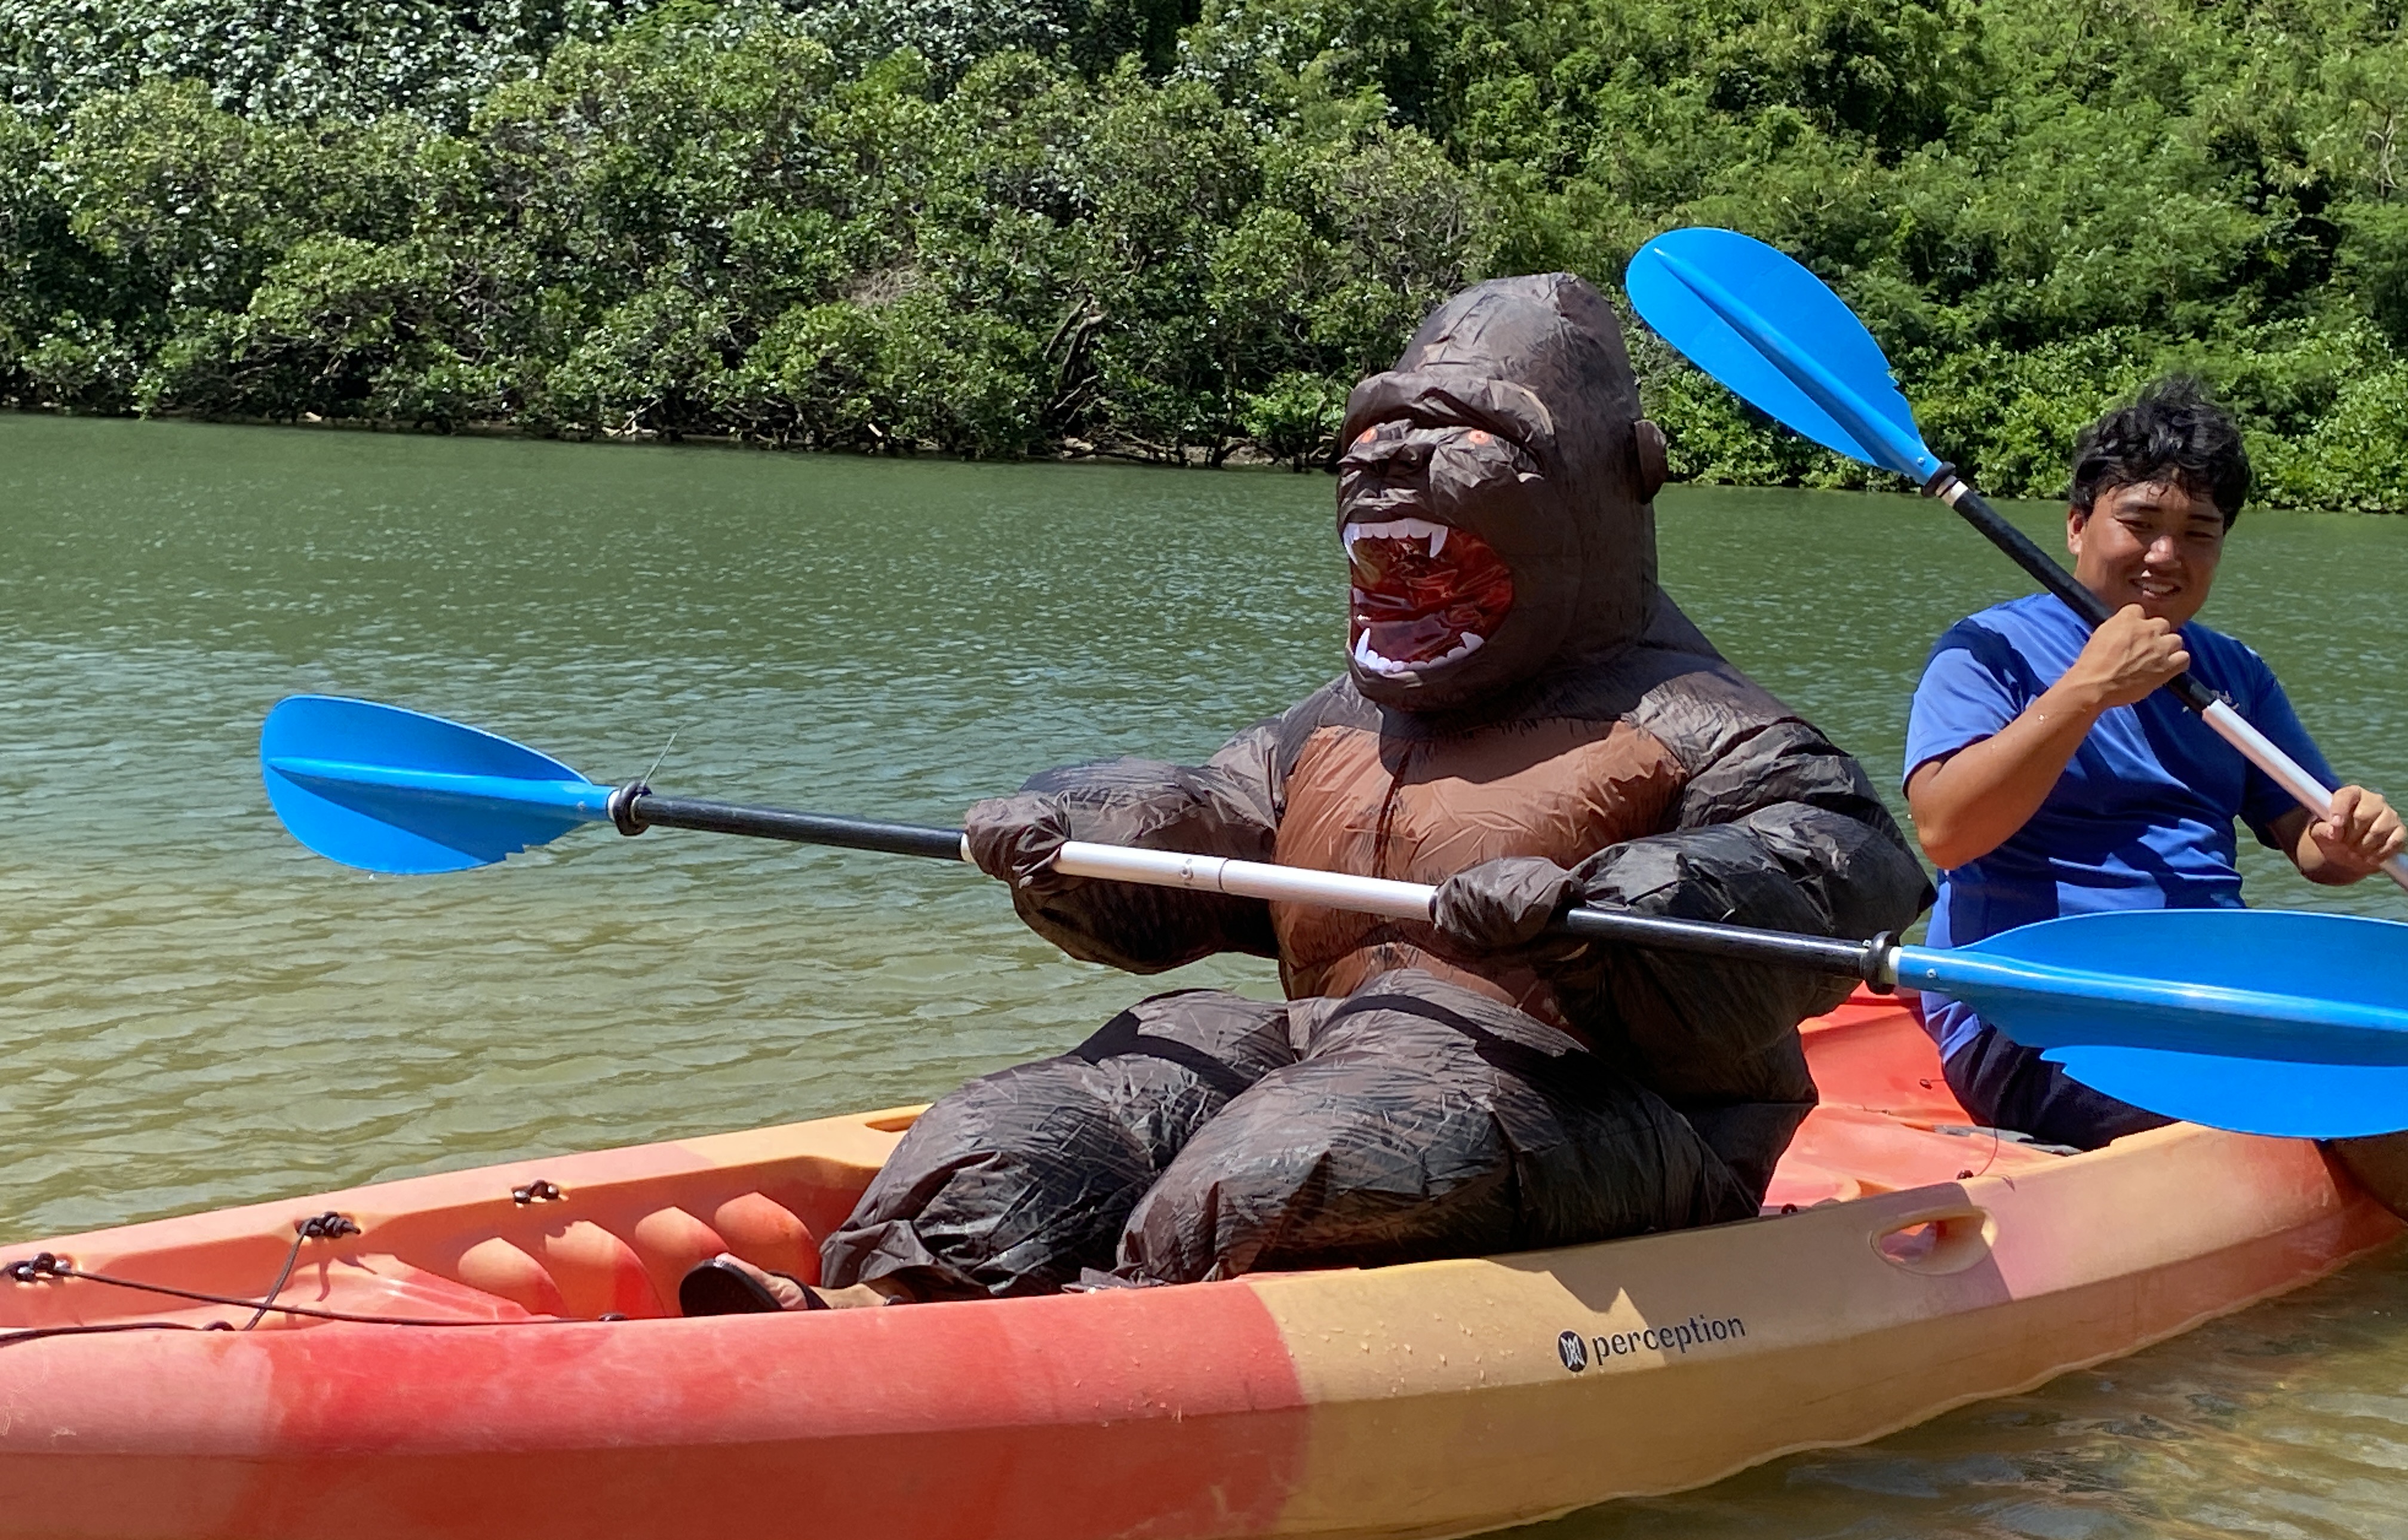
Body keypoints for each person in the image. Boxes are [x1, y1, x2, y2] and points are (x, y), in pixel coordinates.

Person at [681, 272, 1929, 1317]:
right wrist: (1071, 830)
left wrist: (1609, 899)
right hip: (1325, 1046)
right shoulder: (1334, 728)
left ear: (1617, 483)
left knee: (1295, 1158)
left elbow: (1843, 869)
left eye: (1458, 435)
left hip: (1616, 1111)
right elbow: (1206, 816)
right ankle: (879, 1314)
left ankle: (1110, 1348)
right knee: (1022, 1130)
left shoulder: (1706, 726)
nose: (1387, 465)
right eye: (1373, 433)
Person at [1902, 376, 2405, 1151]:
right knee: (2269, 1107)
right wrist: (2085, 691)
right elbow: (1945, 832)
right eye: (2139, 522)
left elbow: (2309, 841)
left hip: (2214, 987)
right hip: (2034, 1006)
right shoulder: (1987, 652)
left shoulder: (2233, 673)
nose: (2166, 555)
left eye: (2199, 532)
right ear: (2077, 528)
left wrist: (2346, 839)